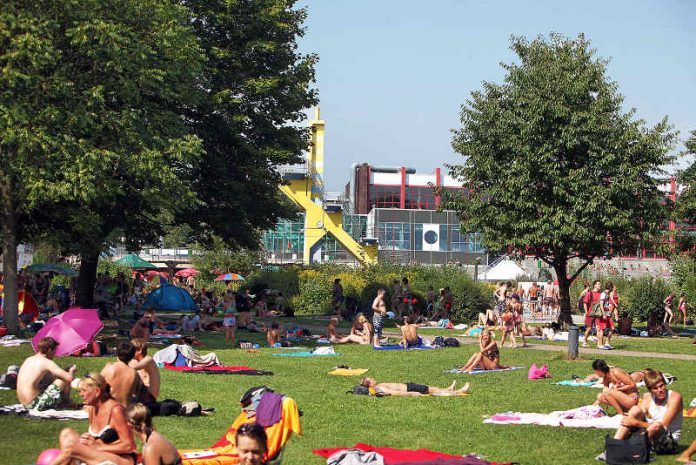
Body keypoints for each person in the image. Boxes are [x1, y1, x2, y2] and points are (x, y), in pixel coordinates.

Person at [52, 373, 137, 465]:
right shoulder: (92, 407)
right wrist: (88, 439)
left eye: (84, 391)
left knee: (73, 447)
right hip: (101, 455)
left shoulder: (116, 410)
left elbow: (129, 446)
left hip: (123, 460)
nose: (81, 394)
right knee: (67, 433)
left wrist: (98, 447)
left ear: (97, 392)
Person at [601, 369, 683, 460]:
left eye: (661, 386)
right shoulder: (648, 397)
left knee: (656, 425)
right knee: (635, 410)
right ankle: (612, 448)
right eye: (655, 388)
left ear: (665, 384)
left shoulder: (675, 397)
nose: (660, 390)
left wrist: (635, 423)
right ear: (650, 390)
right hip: (651, 436)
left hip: (668, 441)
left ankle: (629, 450)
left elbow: (663, 425)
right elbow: (637, 414)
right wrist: (630, 420)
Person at [16, 337, 76, 410]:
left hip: (24, 403)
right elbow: (69, 378)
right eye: (54, 352)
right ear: (50, 350)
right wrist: (71, 370)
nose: (54, 355)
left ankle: (65, 402)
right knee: (66, 376)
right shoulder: (46, 362)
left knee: (61, 376)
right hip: (35, 404)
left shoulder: (29, 359)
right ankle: (66, 402)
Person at [101, 341, 142, 407]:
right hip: (127, 409)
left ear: (117, 353)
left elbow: (97, 387)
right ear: (132, 356)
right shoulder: (134, 374)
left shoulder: (108, 368)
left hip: (109, 408)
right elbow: (139, 394)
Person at [359, 377, 470, 397]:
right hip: (409, 389)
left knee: (430, 387)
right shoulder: (379, 388)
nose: (373, 378)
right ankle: (459, 391)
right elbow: (394, 392)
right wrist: (411, 393)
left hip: (408, 386)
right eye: (371, 379)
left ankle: (448, 388)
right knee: (431, 390)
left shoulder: (378, 385)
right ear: (370, 384)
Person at [583, 280, 603, 348]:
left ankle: (599, 344)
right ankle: (584, 342)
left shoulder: (600, 294)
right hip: (590, 313)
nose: (600, 285)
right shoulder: (590, 293)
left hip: (598, 314)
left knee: (599, 328)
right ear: (595, 285)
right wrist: (586, 312)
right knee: (589, 328)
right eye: (598, 284)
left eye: (600, 284)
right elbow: (585, 303)